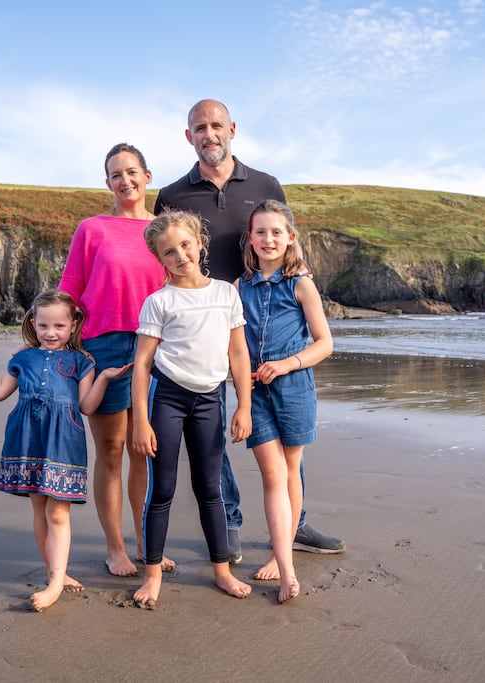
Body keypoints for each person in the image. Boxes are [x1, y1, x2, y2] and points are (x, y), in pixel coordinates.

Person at [154, 98, 344, 564]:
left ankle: (295, 524)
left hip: (260, 327)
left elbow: (283, 237)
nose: (209, 134)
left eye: (216, 125)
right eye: (200, 127)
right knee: (214, 433)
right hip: (201, 330)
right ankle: (230, 521)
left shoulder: (265, 184)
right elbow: (162, 258)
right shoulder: (172, 194)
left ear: (232, 129)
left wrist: (302, 285)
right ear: (189, 136)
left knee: (285, 443)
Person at [0, 289, 131, 611]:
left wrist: (104, 378)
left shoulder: (82, 362)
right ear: (33, 323)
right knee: (40, 509)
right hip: (27, 438)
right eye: (44, 325)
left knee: (58, 512)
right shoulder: (22, 358)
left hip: (63, 441)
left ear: (73, 325)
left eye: (59, 326)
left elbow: (87, 407)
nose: (51, 333)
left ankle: (55, 584)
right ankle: (55, 573)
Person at [58, 143, 173, 577]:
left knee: (144, 449)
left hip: (156, 347)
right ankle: (115, 548)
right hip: (102, 346)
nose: (125, 181)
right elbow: (69, 290)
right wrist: (45, 344)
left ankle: (146, 543)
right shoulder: (92, 229)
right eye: (116, 175)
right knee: (110, 449)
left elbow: (182, 286)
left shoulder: (162, 231)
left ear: (147, 176)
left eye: (132, 172)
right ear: (107, 183)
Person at [130, 211, 253, 606]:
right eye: (169, 252)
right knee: (162, 489)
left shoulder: (226, 294)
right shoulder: (158, 302)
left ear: (199, 243)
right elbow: (142, 364)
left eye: (186, 245)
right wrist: (140, 421)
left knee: (210, 488)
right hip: (167, 398)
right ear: (159, 258)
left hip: (210, 400)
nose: (180, 255)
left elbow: (238, 353)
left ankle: (222, 571)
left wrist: (244, 406)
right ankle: (152, 574)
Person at [237, 200, 334, 602]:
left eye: (276, 232)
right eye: (260, 232)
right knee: (272, 475)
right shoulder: (239, 287)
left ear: (290, 237)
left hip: (294, 387)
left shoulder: (301, 284)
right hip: (255, 392)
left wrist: (286, 364)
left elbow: (325, 343)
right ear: (250, 238)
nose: (268, 239)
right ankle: (287, 570)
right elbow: (232, 343)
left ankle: (283, 558)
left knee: (291, 470)